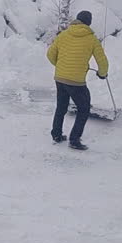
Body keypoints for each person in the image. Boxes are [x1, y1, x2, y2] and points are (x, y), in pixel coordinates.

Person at [46, 10, 109, 150]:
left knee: (61, 107)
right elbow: (102, 61)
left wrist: (61, 66)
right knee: (84, 108)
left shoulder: (63, 35)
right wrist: (102, 74)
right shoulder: (91, 39)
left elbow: (50, 54)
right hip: (76, 82)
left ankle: (56, 134)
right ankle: (74, 140)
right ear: (89, 23)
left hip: (60, 78)